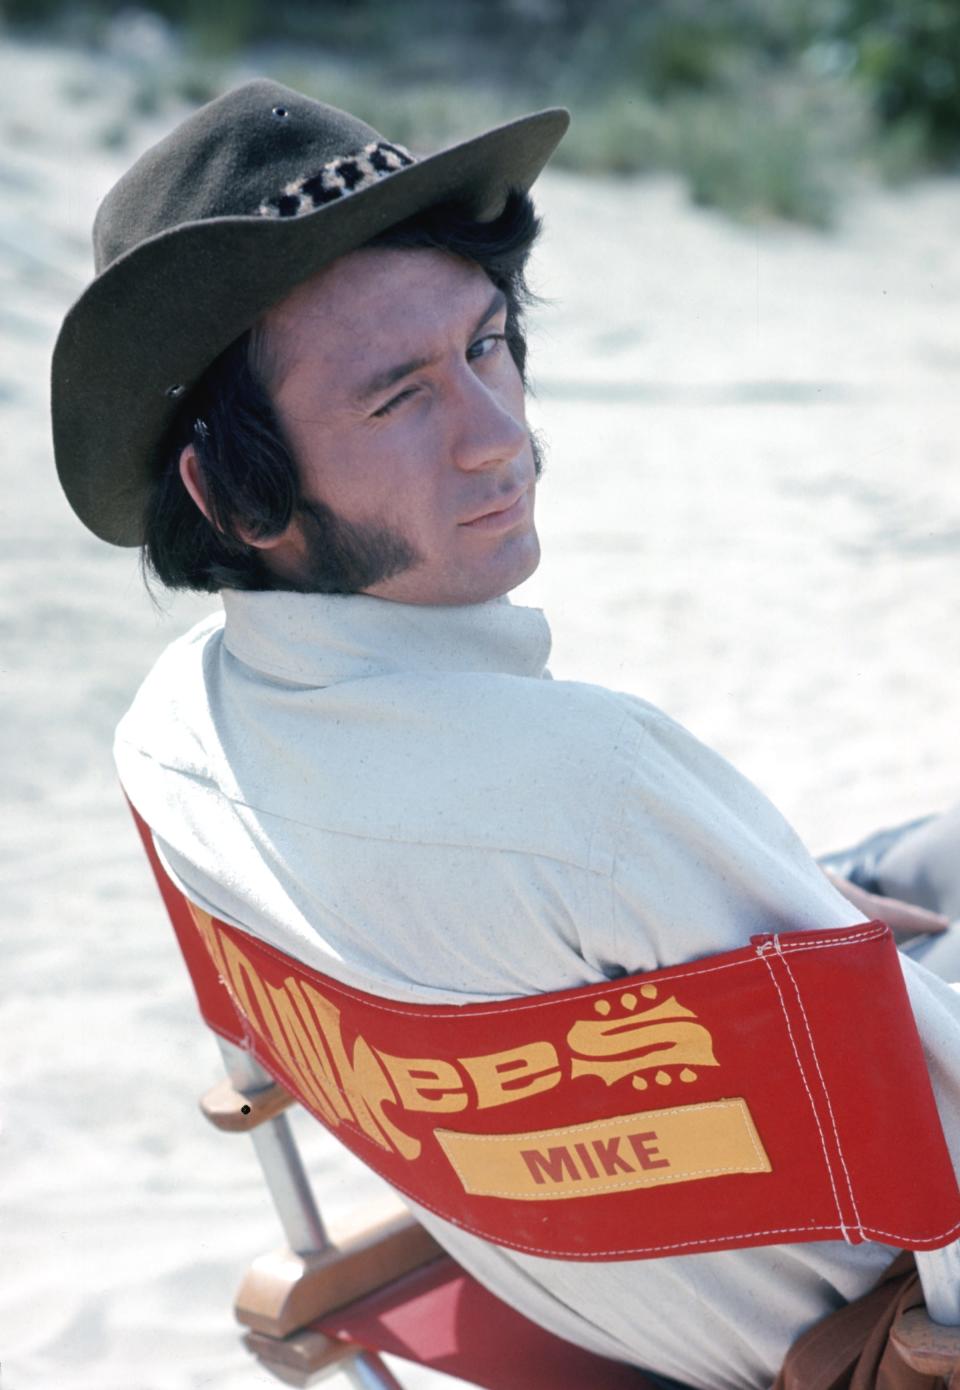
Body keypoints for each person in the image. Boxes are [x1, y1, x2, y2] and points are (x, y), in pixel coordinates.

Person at [52, 79, 960, 1390]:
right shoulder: (600, 790)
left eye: (486, 346)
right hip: (844, 1323)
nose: (501, 439)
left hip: (571, 1246)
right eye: (398, 398)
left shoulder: (171, 744)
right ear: (232, 487)